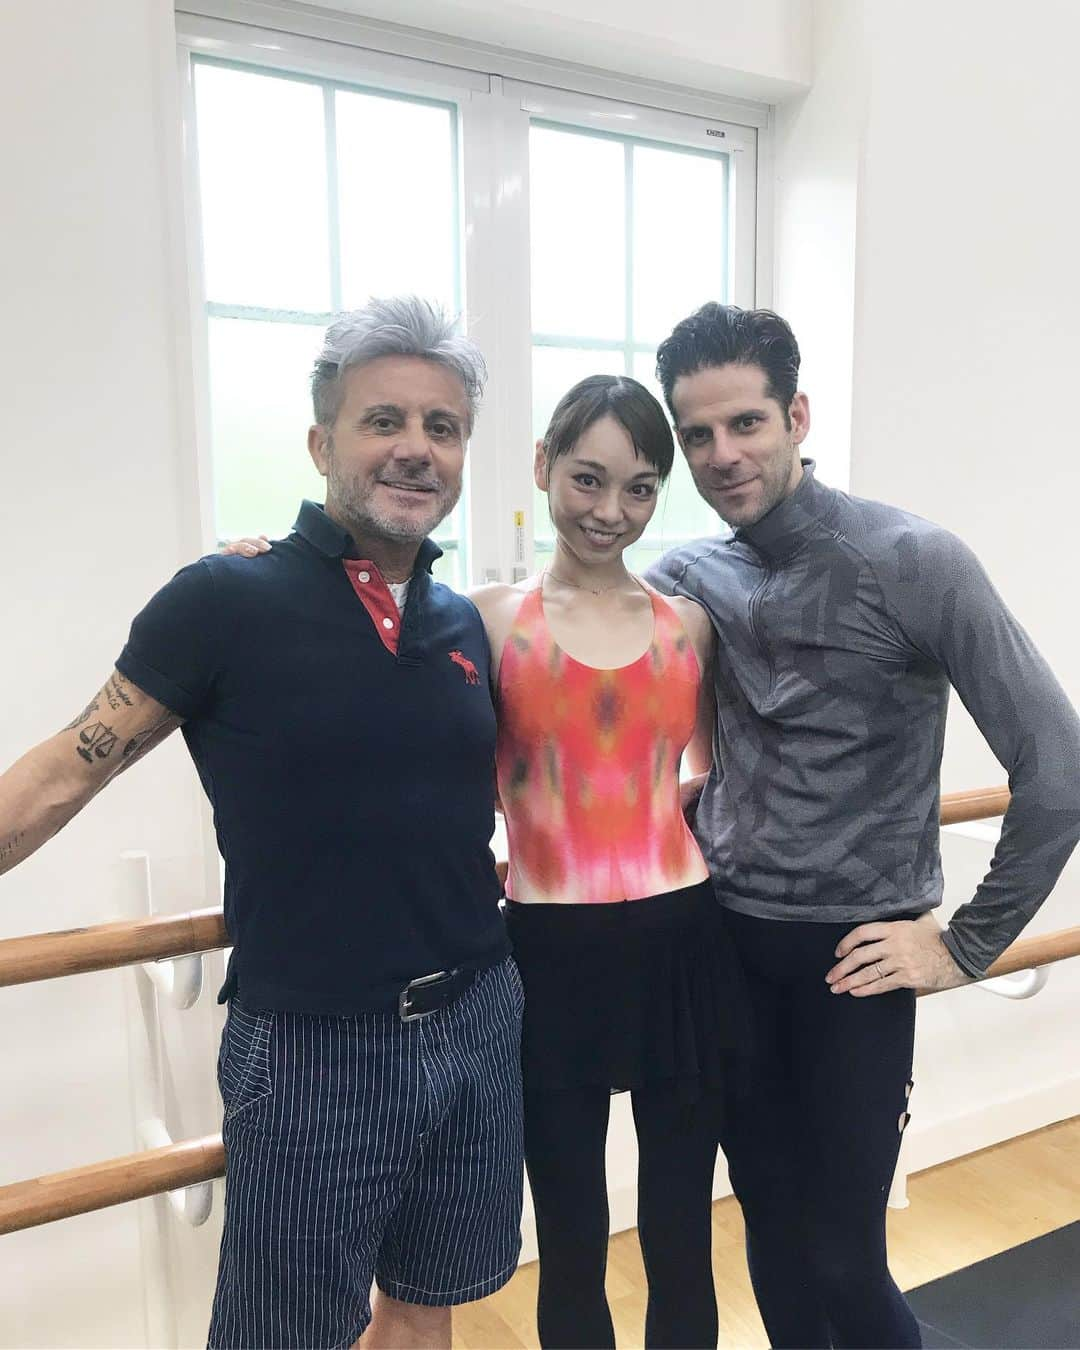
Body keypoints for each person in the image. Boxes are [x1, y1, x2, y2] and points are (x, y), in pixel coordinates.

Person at [0, 297, 524, 1350]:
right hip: (314, 1049)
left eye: (443, 427)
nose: (415, 449)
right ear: (323, 440)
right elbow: (63, 771)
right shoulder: (222, 602)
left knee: (427, 1307)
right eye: (385, 420)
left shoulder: (459, 618)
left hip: (479, 1015)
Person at [230, 372, 750, 1349]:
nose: (611, 510)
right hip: (547, 948)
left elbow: (704, 771)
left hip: (683, 938)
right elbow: (347, 632)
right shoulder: (485, 618)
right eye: (589, 479)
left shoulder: (692, 627)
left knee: (683, 1228)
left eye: (639, 488)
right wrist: (258, 563)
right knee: (573, 1232)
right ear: (546, 468)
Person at [645, 302, 1080, 1349]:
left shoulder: (913, 559)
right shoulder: (688, 576)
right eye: (696, 434)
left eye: (745, 423)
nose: (721, 454)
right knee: (772, 1232)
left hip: (857, 964)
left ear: (796, 415)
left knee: (844, 1254)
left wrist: (966, 946)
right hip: (730, 952)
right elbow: (556, 624)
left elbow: (1058, 770)